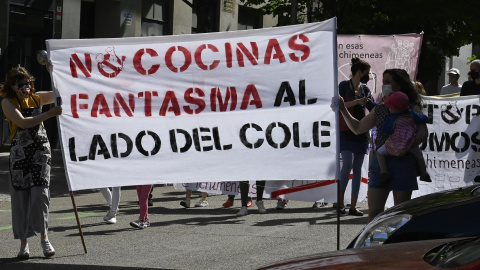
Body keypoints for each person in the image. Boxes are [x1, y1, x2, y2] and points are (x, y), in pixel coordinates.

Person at [339, 68, 428, 222]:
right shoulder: (380, 108)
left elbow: (422, 133)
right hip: (380, 165)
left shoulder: (411, 107)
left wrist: (400, 147)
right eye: (383, 82)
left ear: (399, 86)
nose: (384, 86)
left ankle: (398, 245)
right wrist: (343, 109)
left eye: (388, 82)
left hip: (403, 163)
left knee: (401, 214)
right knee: (374, 213)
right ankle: (373, 245)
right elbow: (358, 128)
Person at [1, 65, 62, 259]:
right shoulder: (7, 102)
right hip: (20, 155)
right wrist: (49, 114)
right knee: (21, 199)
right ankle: (24, 243)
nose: (24, 87)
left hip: (40, 153)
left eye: (27, 83)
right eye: (20, 84)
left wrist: (53, 70)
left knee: (40, 195)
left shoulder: (39, 97)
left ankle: (44, 238)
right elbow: (23, 123)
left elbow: (62, 91)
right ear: (12, 86)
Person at [337, 57, 376, 216]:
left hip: (362, 131)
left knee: (359, 169)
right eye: (366, 72)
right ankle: (340, 203)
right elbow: (338, 105)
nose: (368, 75)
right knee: (347, 164)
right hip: (346, 129)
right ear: (359, 72)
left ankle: (353, 206)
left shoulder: (366, 89)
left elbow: (372, 106)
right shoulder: (344, 86)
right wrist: (356, 101)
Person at [376, 91, 431, 184]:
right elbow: (424, 118)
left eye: (390, 106)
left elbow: (385, 129)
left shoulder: (392, 119)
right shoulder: (411, 114)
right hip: (410, 143)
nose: (388, 108)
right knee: (419, 156)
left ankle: (384, 172)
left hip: (395, 143)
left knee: (379, 153)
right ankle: (424, 174)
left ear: (395, 108)